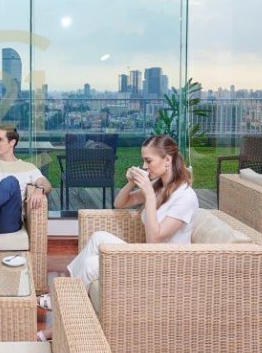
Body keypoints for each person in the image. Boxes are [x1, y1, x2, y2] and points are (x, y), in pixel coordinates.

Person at [42, 134, 198, 316]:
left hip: (164, 265)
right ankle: (66, 292)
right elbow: (120, 203)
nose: (144, 166)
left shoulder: (184, 197)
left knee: (92, 264)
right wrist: (131, 183)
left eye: (148, 161)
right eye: (143, 161)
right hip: (148, 255)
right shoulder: (159, 186)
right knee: (98, 237)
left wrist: (148, 195)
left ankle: (63, 305)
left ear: (168, 160)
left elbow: (154, 239)